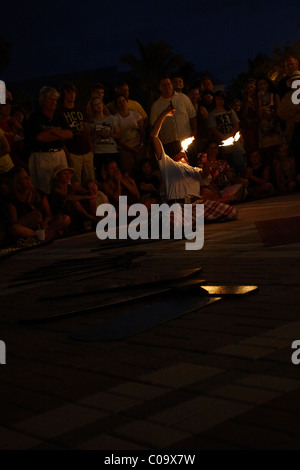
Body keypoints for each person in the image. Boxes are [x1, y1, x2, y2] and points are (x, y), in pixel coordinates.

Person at [150, 105, 238, 223]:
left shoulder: (194, 170)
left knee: (232, 212)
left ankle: (193, 220)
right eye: (179, 152)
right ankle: (187, 222)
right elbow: (153, 136)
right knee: (173, 222)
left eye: (184, 153)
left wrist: (205, 162)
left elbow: (205, 173)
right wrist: (164, 114)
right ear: (174, 157)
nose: (182, 152)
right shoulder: (168, 164)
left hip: (197, 205)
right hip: (178, 206)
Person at [24, 86, 73, 194]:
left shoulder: (59, 116)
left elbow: (69, 134)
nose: (53, 102)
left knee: (63, 187)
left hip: (59, 155)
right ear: (42, 100)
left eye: (55, 99)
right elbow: (40, 137)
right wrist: (60, 135)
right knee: (43, 189)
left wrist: (52, 132)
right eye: (50, 99)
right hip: (42, 157)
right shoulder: (35, 117)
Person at [8, 167, 70, 241]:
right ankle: (41, 236)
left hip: (43, 227)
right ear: (17, 184)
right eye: (25, 178)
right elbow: (14, 223)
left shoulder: (39, 194)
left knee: (66, 219)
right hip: (28, 229)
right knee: (14, 229)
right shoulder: (13, 201)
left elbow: (48, 215)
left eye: (28, 176)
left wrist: (44, 223)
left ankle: (43, 236)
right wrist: (28, 219)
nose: (28, 178)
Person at [150, 76, 197, 159]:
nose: (167, 87)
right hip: (169, 143)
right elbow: (154, 126)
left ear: (171, 85)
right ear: (160, 87)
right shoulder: (156, 106)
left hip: (186, 139)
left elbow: (192, 116)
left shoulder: (183, 98)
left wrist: (194, 132)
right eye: (163, 85)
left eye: (168, 84)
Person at [58, 82, 95, 185]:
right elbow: (59, 135)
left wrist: (91, 149)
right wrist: (68, 154)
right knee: (76, 182)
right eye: (69, 92)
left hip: (86, 151)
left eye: (74, 92)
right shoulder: (60, 112)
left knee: (90, 181)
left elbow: (86, 130)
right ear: (63, 94)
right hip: (73, 153)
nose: (72, 94)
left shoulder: (80, 110)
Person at [208, 90, 246, 176]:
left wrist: (230, 134)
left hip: (234, 142)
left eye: (222, 99)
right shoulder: (212, 114)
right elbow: (213, 128)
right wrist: (223, 137)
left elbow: (236, 124)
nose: (220, 101)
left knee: (239, 163)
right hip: (222, 144)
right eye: (218, 99)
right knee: (228, 166)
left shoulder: (230, 111)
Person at [87, 96, 121, 180]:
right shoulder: (91, 122)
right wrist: (97, 133)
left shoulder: (111, 118)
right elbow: (88, 139)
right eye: (95, 105)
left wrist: (110, 134)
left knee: (117, 176)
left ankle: (121, 193)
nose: (98, 106)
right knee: (102, 177)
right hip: (99, 153)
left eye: (99, 103)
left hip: (112, 151)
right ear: (92, 108)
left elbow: (119, 135)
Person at [114, 94, 145, 175]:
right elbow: (117, 136)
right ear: (117, 105)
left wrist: (141, 144)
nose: (122, 103)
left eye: (123, 101)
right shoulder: (115, 118)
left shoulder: (135, 114)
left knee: (141, 167)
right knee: (128, 170)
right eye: (119, 102)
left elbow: (142, 129)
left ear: (126, 102)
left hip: (137, 145)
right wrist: (129, 148)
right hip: (124, 148)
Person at [257, 76, 283, 167]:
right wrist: (260, 99)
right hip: (264, 129)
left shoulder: (274, 96)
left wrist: (268, 116)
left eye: (264, 83)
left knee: (279, 151)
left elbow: (278, 111)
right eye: (260, 84)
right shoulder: (258, 98)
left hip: (274, 127)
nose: (262, 86)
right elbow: (259, 115)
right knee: (268, 154)